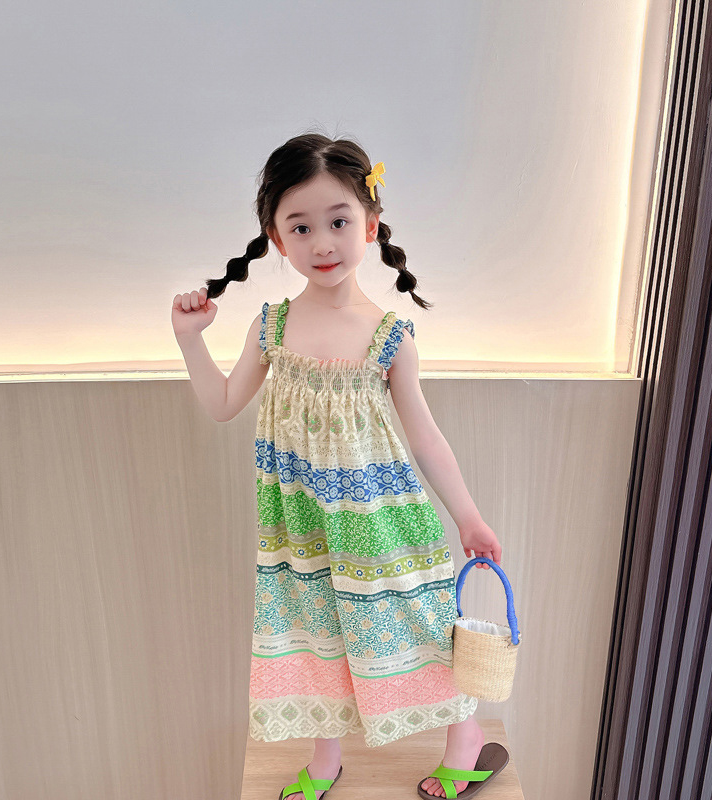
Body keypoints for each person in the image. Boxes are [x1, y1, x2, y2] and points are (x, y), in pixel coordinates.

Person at [172, 132, 506, 799]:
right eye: (301, 226)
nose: (322, 242)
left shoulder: (389, 335)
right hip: (300, 523)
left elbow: (425, 436)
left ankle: (466, 740)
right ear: (277, 238)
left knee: (417, 625)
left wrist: (468, 516)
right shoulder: (270, 327)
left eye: (339, 221)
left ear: (370, 225)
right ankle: (325, 759)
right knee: (313, 632)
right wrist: (189, 341)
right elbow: (223, 404)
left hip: (382, 518)